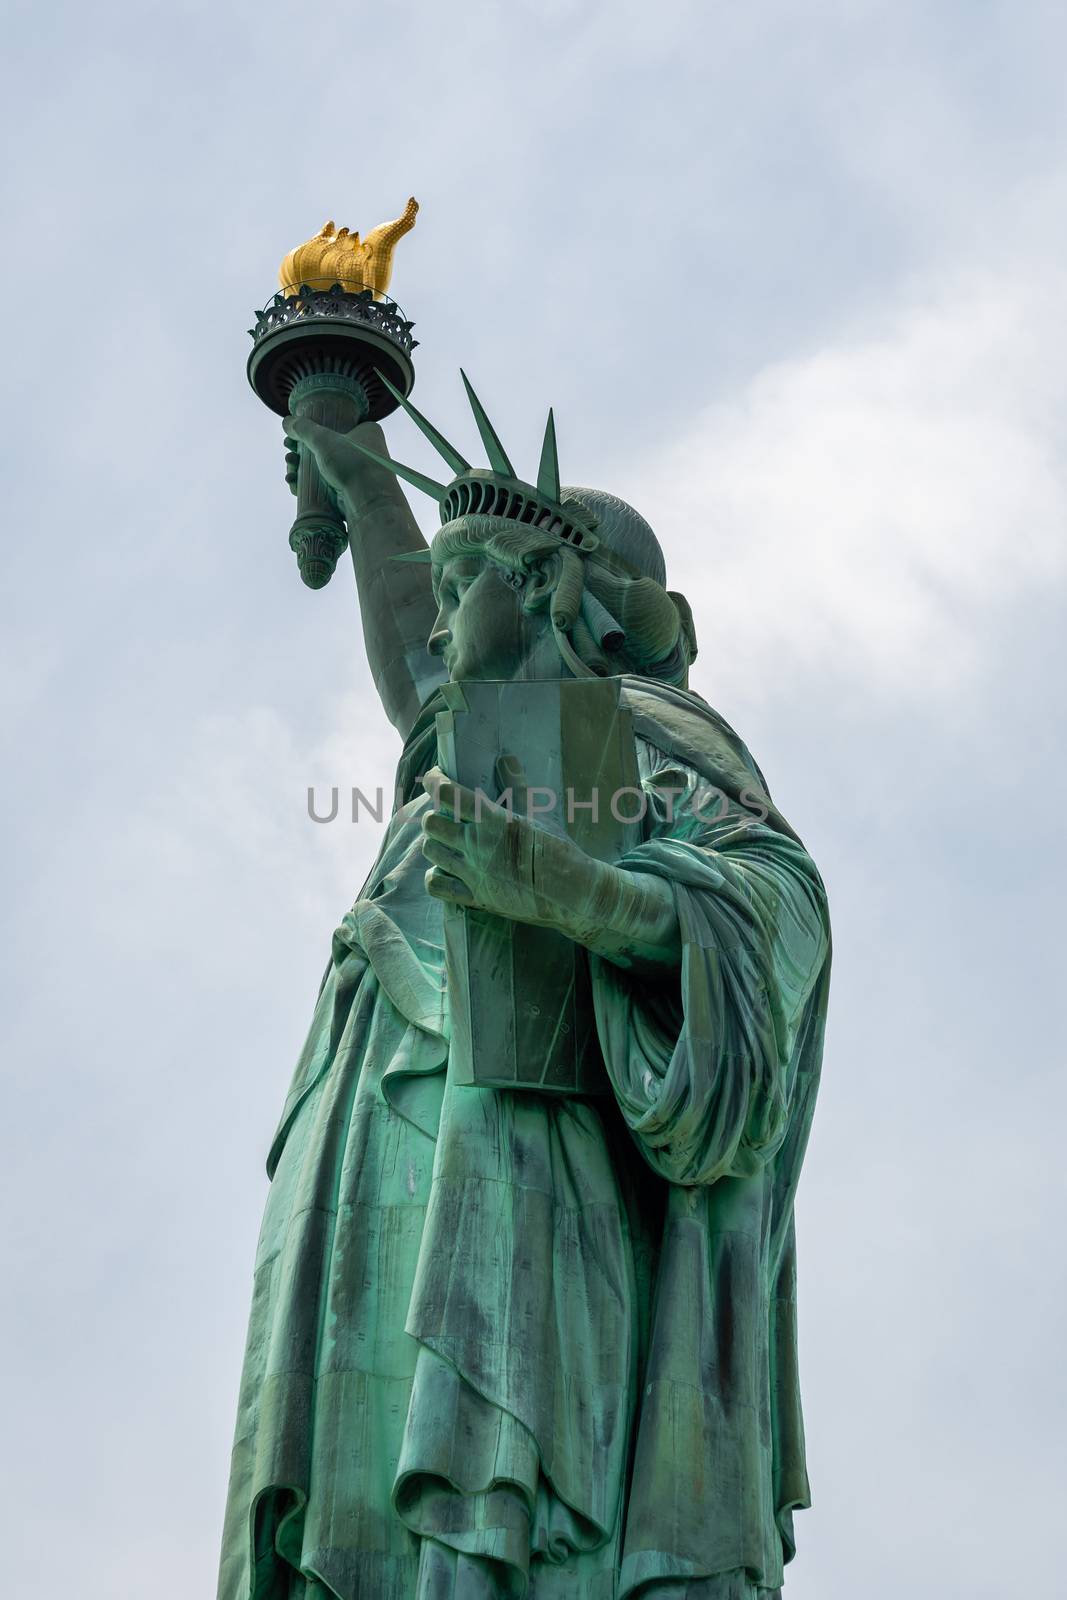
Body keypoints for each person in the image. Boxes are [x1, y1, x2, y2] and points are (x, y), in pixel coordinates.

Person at [216, 379, 831, 1600]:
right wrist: (354, 459)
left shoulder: (632, 740)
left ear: (554, 589)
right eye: (437, 596)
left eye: (462, 591)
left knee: (497, 1516)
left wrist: (575, 895)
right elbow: (413, 652)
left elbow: (777, 912)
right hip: (374, 1187)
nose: (436, 632)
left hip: (540, 1202)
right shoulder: (479, 746)